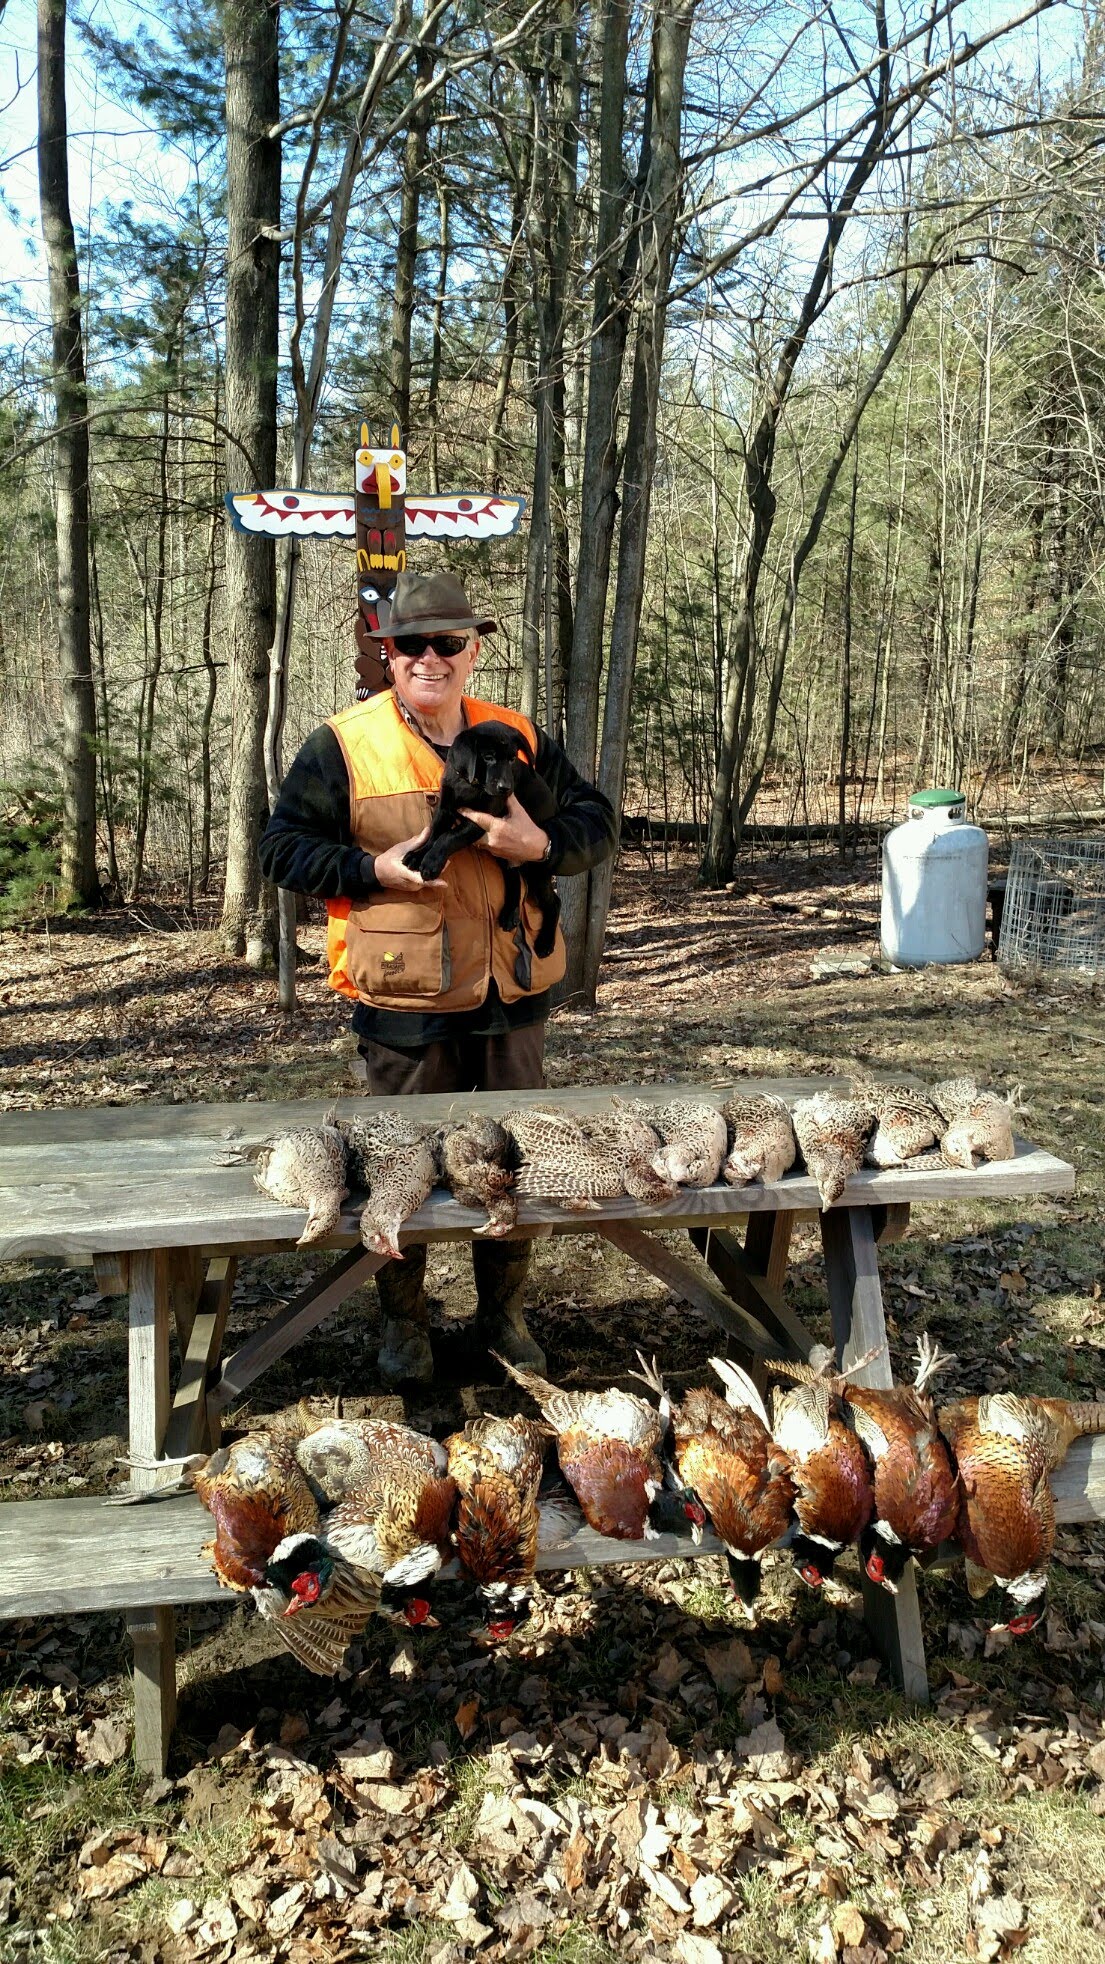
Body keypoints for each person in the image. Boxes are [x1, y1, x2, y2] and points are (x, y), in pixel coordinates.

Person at [259, 570, 616, 1385]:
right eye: (411, 644)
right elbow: (281, 850)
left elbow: (597, 821)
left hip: (512, 992)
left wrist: (541, 846)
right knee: (400, 1165)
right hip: (403, 999)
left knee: (515, 1159)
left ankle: (503, 1316)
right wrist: (369, 868)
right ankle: (405, 1322)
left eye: (447, 642)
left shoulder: (514, 732)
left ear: (473, 651)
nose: (430, 658)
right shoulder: (342, 744)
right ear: (387, 655)